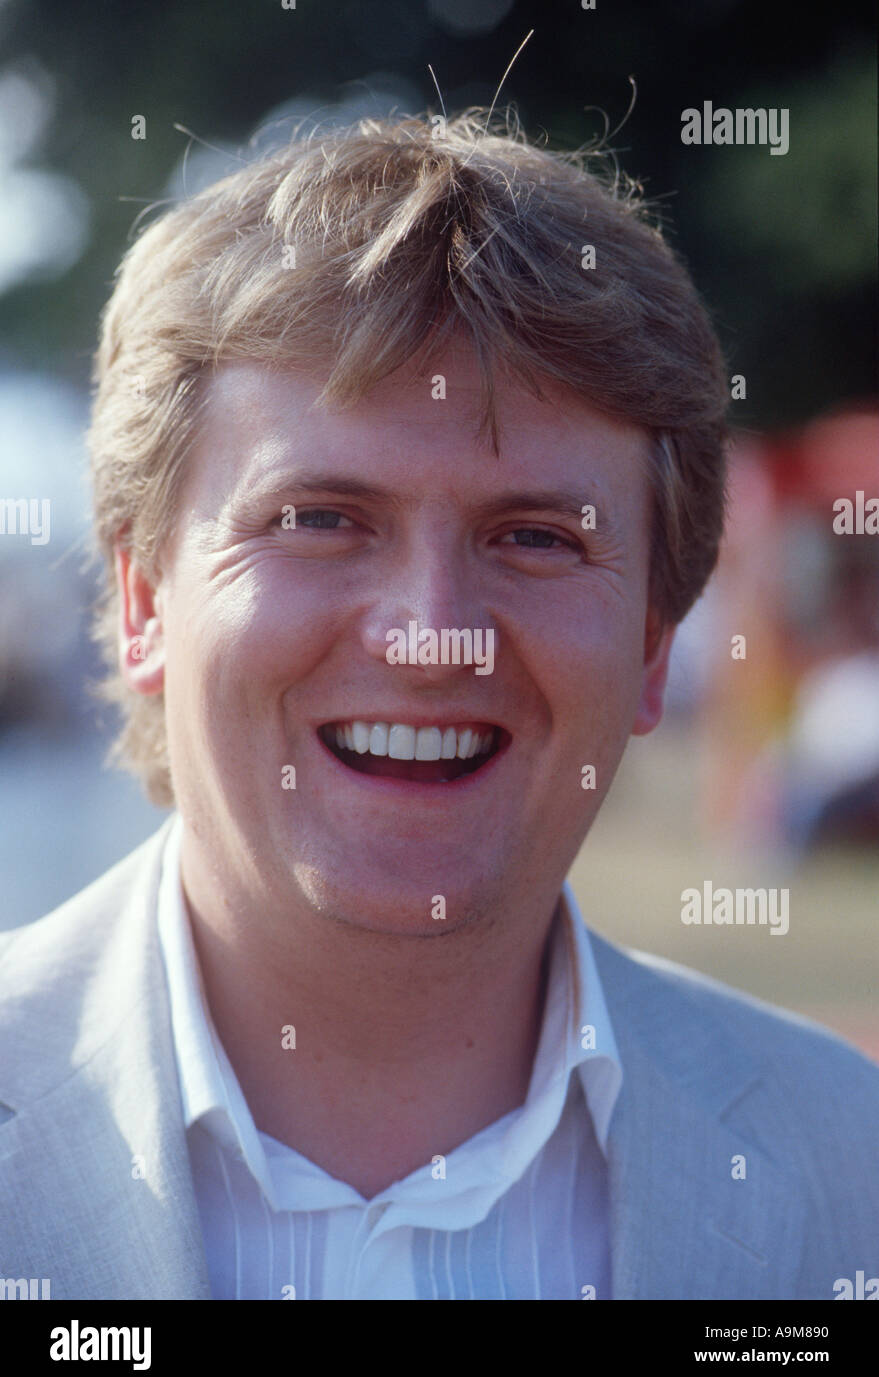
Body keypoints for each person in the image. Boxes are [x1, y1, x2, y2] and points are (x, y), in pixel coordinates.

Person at [1, 112, 876, 1301]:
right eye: (320, 519)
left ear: (657, 645)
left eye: (534, 537)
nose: (430, 632)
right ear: (145, 597)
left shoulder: (851, 1169)